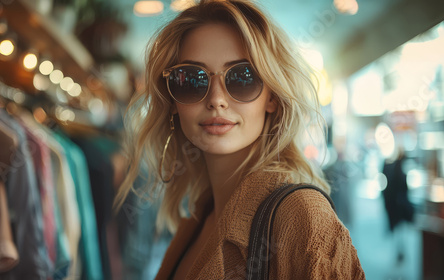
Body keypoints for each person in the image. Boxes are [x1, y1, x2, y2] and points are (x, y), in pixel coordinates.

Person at [114, 0, 365, 279]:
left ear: (271, 96)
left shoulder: (303, 216)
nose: (217, 100)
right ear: (172, 99)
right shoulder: (200, 215)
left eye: (242, 77)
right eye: (191, 80)